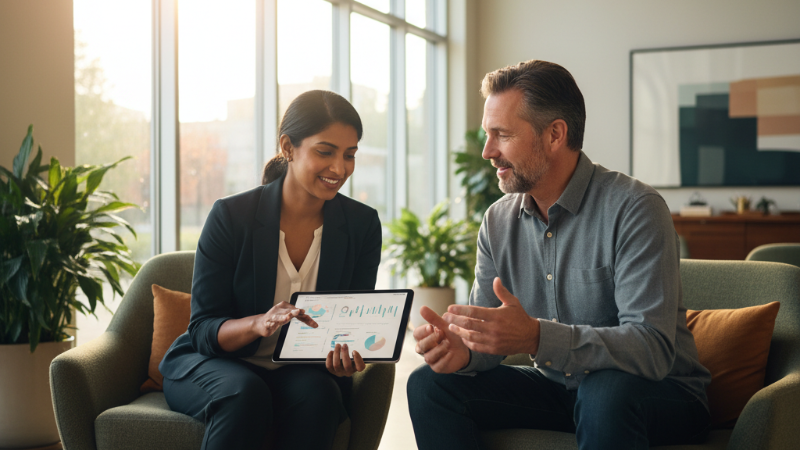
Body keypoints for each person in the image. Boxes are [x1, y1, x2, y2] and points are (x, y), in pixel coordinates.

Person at [407, 60, 712, 450]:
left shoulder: (635, 208)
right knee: (429, 384)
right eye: (488, 135)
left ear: (554, 135)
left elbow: (651, 349)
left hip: (661, 393)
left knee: (604, 392)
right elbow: (489, 341)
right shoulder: (498, 221)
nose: (487, 152)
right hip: (560, 389)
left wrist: (536, 337)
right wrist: (462, 352)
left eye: (501, 135)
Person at [160, 90, 382, 450]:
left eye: (349, 155)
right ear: (288, 147)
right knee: (244, 393)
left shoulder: (362, 225)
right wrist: (257, 323)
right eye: (325, 152)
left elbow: (348, 322)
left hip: (298, 370)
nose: (339, 169)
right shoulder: (231, 216)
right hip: (214, 363)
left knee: (321, 396)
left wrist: (345, 354)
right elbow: (203, 330)